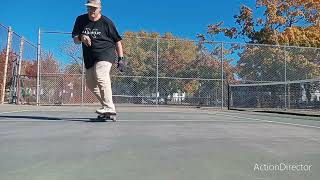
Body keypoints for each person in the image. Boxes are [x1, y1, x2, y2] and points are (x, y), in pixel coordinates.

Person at [72, 0, 125, 114]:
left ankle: (109, 108)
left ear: (100, 8)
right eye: (90, 7)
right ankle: (108, 106)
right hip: (89, 58)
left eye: (94, 8)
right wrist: (81, 37)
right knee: (91, 83)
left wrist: (121, 59)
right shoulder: (80, 20)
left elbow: (117, 41)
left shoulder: (107, 22)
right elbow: (75, 40)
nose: (92, 10)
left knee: (100, 75)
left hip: (106, 53)